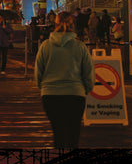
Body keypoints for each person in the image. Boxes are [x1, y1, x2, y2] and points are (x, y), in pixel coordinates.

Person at [35, 12, 95, 149]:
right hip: (75, 94)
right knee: (73, 134)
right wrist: (86, 89)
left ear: (54, 24)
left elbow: (38, 72)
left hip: (50, 95)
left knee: (58, 134)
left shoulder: (45, 46)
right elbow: (88, 72)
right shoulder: (80, 46)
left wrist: (43, 87)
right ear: (73, 25)